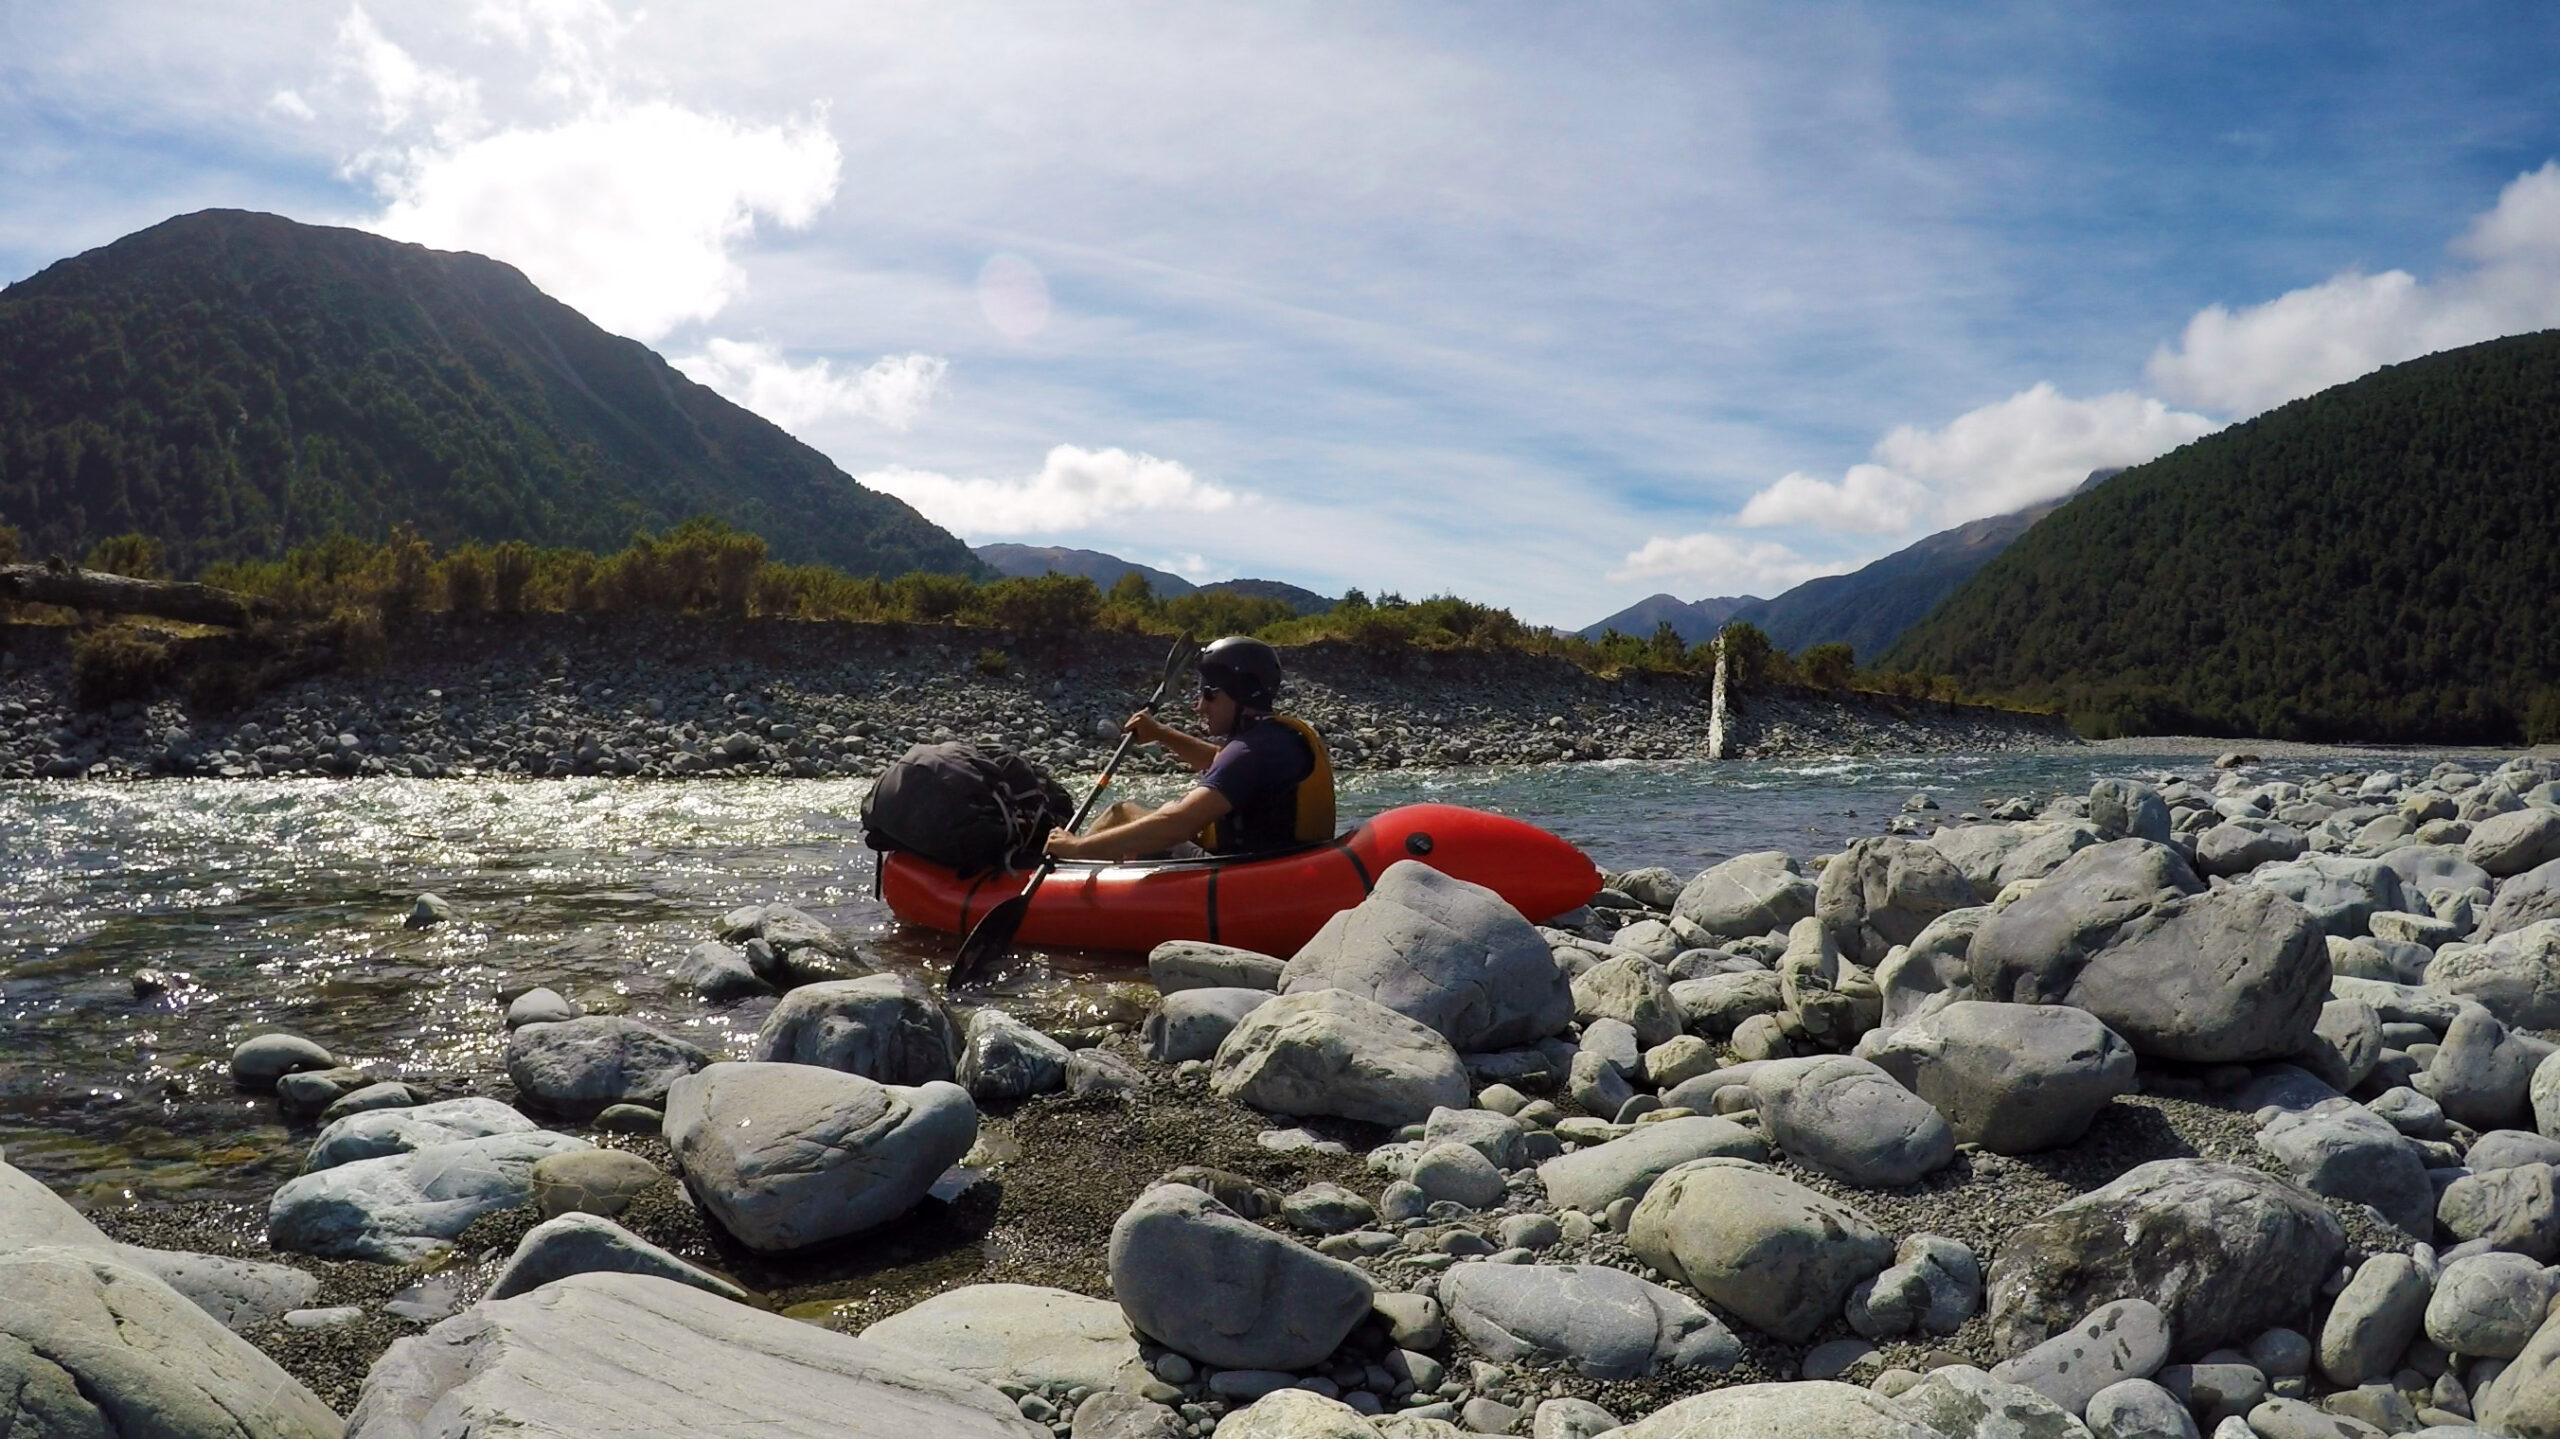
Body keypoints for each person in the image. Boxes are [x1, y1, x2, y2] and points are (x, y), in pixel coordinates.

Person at [1043, 635, 1335, 861]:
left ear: (1241, 694)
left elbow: (1178, 824)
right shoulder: (1275, 738)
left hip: (1240, 873)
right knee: (1152, 815)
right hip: (1277, 860)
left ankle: (1069, 874)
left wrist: (1077, 846)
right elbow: (1220, 762)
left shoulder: (1248, 752)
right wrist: (1160, 733)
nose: (1199, 706)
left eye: (1209, 695)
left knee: (1122, 814)